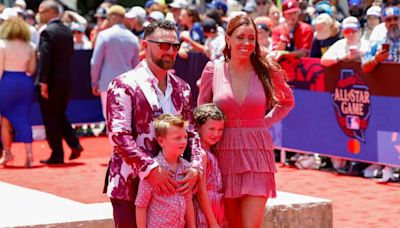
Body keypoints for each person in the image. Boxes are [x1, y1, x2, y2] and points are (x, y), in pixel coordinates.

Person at [197, 15, 295, 228]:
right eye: (240, 37)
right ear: (228, 39)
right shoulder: (213, 69)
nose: (246, 43)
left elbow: (287, 102)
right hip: (222, 151)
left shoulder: (266, 69)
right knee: (230, 223)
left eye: (251, 38)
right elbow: (201, 112)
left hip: (257, 153)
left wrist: (263, 123)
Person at [105, 20, 203, 227]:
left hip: (174, 188)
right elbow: (118, 137)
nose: (170, 51)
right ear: (145, 45)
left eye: (175, 46)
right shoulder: (123, 85)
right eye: (163, 45)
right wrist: (150, 169)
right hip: (130, 184)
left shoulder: (183, 88)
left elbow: (192, 133)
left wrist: (195, 168)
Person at [36, 0, 83, 164]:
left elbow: (45, 59)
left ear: (50, 12)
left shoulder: (47, 32)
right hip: (66, 81)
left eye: (42, 11)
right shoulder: (66, 31)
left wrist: (43, 82)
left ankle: (57, 154)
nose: (39, 14)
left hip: (51, 82)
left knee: (51, 118)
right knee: (59, 115)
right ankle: (74, 144)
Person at [135, 114, 196, 228]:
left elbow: (188, 201)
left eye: (185, 137)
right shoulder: (152, 171)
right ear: (161, 141)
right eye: (178, 138)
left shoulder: (186, 168)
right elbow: (141, 206)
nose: (183, 141)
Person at [90, 5, 140, 121]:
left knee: (110, 119)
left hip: (107, 83)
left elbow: (95, 62)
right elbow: (136, 65)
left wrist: (94, 82)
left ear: (113, 17)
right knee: (125, 119)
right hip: (128, 83)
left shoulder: (104, 35)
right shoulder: (132, 38)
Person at [0, 17, 36, 167]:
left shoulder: (2, 45)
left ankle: (7, 153)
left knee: (4, 120)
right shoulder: (31, 46)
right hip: (25, 83)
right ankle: (29, 156)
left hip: (6, 82)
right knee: (24, 118)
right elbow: (31, 69)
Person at [193, 103, 226, 228]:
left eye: (220, 129)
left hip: (217, 207)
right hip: (206, 211)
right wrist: (212, 222)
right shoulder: (201, 155)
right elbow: (201, 191)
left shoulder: (210, 152)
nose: (216, 134)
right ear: (198, 127)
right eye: (211, 129)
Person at [362, 6, 400, 73]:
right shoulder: (379, 42)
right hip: (385, 81)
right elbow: (364, 67)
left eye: (395, 18)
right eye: (388, 20)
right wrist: (375, 60)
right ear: (385, 24)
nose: (392, 22)